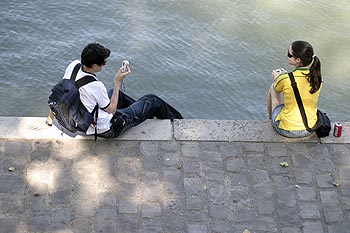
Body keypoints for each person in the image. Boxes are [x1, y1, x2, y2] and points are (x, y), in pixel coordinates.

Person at [47, 42, 183, 138]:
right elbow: (111, 110)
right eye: (103, 63)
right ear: (94, 66)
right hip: (108, 128)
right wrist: (118, 81)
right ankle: (180, 124)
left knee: (117, 96)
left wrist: (49, 120)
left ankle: (140, 114)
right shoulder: (95, 86)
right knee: (152, 100)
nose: (105, 65)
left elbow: (61, 95)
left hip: (86, 116)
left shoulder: (74, 65)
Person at [267, 41, 322, 138]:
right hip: (310, 127)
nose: (287, 56)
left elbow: (278, 87)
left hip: (288, 130)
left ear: (297, 60)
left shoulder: (285, 79)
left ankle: (270, 119)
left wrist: (277, 77)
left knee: (273, 87)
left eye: (289, 54)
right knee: (290, 90)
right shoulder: (317, 78)